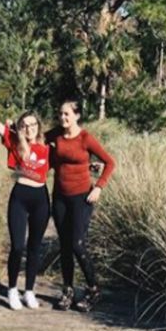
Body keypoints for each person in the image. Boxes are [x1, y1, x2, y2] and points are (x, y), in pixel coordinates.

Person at [0, 79, 50, 311]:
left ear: (38, 126)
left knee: (35, 247)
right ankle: (12, 289)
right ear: (20, 127)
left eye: (33, 125)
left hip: (41, 199)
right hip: (20, 197)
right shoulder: (13, 141)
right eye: (25, 125)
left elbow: (68, 155)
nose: (29, 128)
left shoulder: (46, 145)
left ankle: (29, 291)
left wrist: (90, 168)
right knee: (17, 246)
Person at [47, 100, 116, 311]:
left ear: (77, 116)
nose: (63, 118)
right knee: (65, 245)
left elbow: (110, 162)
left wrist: (99, 187)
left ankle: (93, 289)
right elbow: (32, 138)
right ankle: (68, 290)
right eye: (60, 114)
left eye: (67, 114)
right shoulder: (55, 135)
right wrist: (15, 128)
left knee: (77, 243)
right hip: (59, 197)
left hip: (82, 198)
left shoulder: (85, 138)